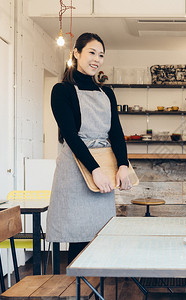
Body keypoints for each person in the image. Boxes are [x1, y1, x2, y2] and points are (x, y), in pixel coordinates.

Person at [46, 33, 132, 264]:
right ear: (76, 53)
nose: (97, 59)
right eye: (91, 53)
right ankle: (77, 290)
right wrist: (94, 170)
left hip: (103, 165)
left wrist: (123, 165)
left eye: (101, 55)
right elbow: (71, 137)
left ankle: (94, 289)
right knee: (76, 235)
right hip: (76, 168)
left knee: (99, 234)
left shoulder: (107, 93)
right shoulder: (61, 91)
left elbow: (115, 132)